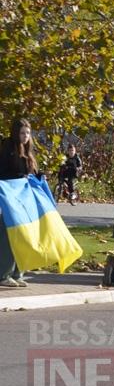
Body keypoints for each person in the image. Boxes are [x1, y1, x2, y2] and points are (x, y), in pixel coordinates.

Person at [0, 118, 39, 287]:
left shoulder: (29, 150)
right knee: (8, 237)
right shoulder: (7, 148)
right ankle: (4, 274)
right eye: (22, 133)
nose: (25, 136)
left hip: (23, 201)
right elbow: (4, 173)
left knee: (23, 235)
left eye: (28, 133)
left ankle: (18, 273)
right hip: (8, 200)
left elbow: (31, 172)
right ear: (16, 133)